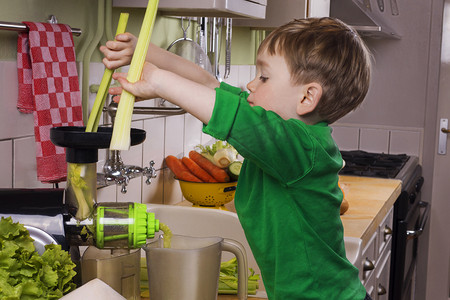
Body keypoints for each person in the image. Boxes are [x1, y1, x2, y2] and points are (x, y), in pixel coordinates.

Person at [101, 17, 372, 300]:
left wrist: (157, 80)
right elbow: (209, 85)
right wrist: (144, 53)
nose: (251, 84)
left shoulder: (301, 147)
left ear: (307, 97)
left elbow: (226, 112)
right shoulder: (280, 141)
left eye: (264, 77)